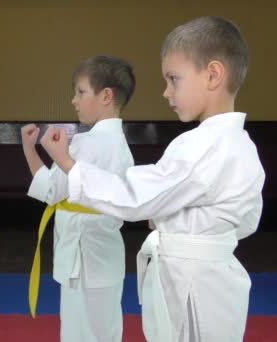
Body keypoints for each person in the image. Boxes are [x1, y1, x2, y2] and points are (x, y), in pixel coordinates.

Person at [39, 16, 265, 342]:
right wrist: (175, 221)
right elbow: (246, 220)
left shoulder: (200, 145)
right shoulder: (243, 146)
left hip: (190, 284)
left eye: (174, 79)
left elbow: (136, 196)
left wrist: (68, 164)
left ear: (213, 75)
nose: (166, 91)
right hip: (214, 278)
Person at [21, 55, 136, 342]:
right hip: (102, 255)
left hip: (83, 260)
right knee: (104, 331)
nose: (74, 100)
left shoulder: (88, 143)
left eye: (81, 92)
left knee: (80, 334)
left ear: (106, 96)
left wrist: (29, 149)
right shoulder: (119, 144)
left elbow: (51, 192)